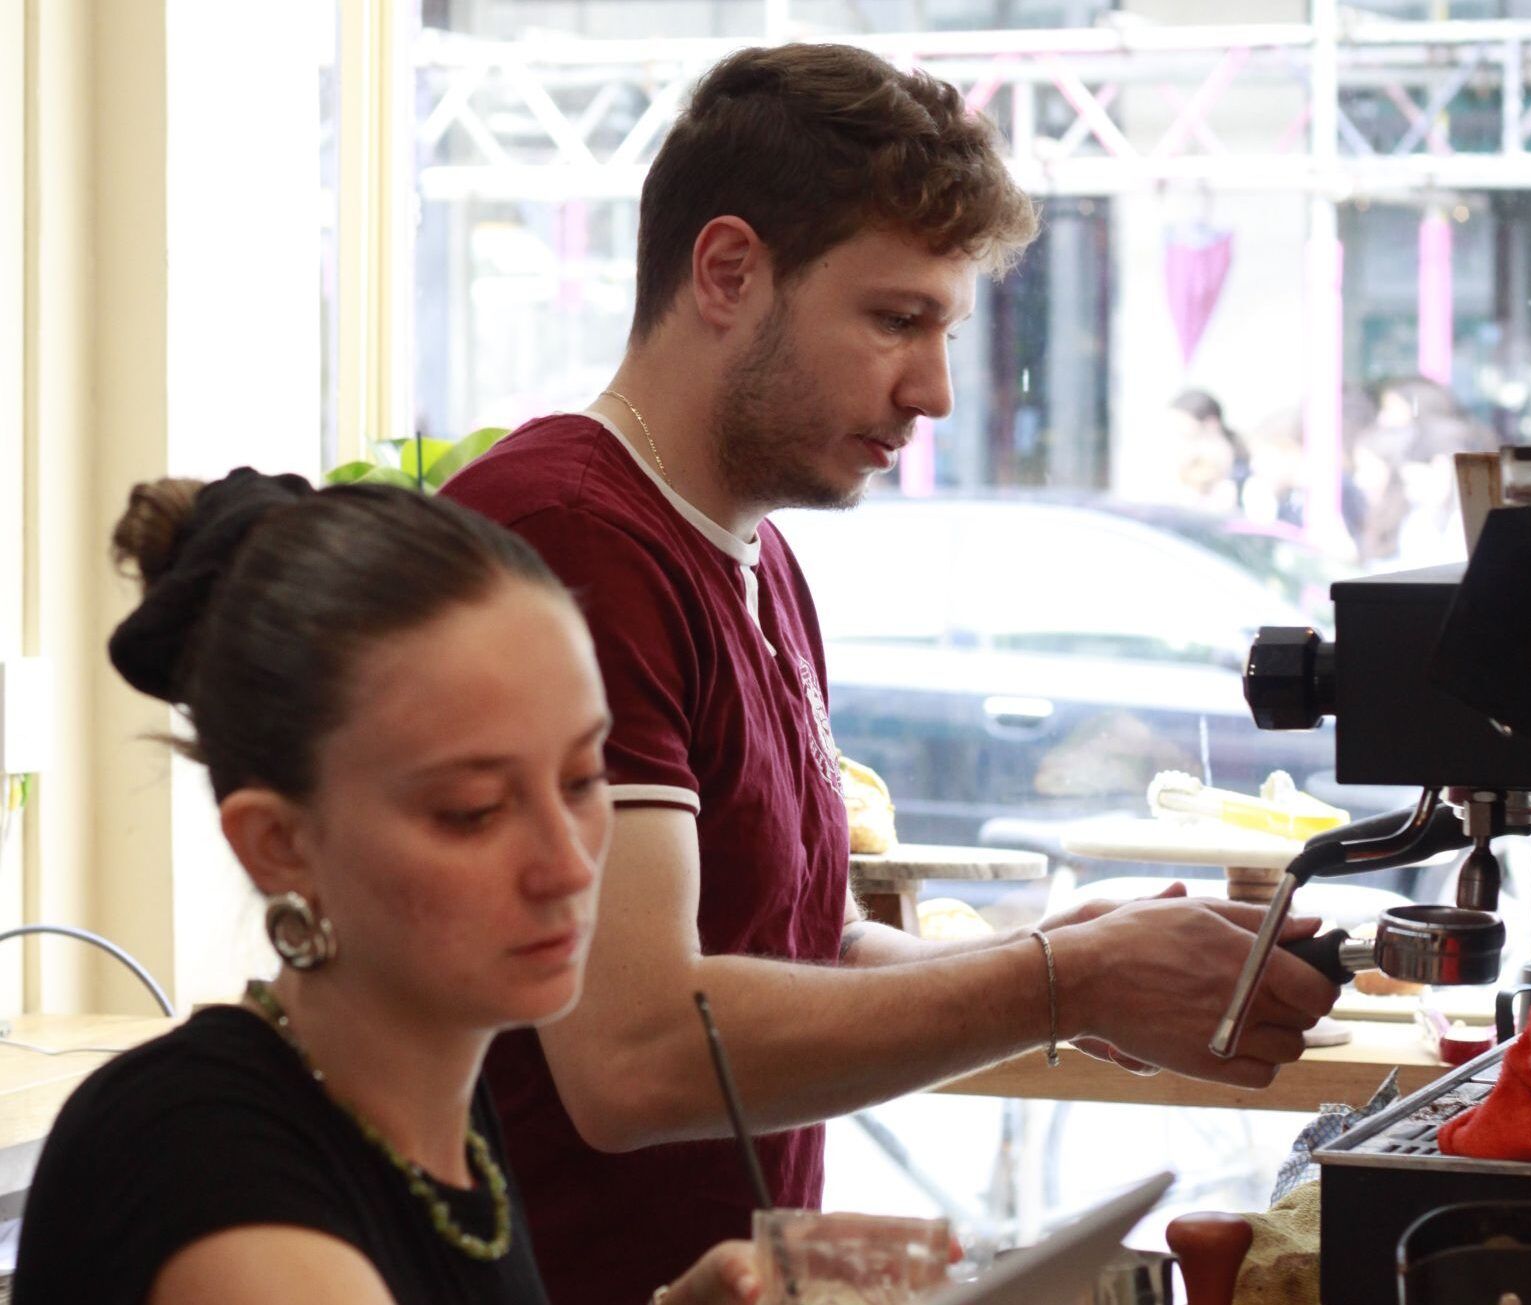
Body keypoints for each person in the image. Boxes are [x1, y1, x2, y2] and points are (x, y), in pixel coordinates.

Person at [442, 42, 1337, 1305]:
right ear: (728, 272)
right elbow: (635, 1054)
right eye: (895, 319)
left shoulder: (756, 558)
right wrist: (1060, 982)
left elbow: (787, 949)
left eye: (947, 326)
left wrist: (1068, 969)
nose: (934, 390)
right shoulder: (568, 539)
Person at [13, 470, 759, 1305]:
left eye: (584, 778)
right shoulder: (205, 1169)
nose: (571, 865)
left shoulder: (433, 1095)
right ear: (280, 845)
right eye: (473, 811)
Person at [1164, 389, 1250, 513]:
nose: (1178, 430)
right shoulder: (1188, 455)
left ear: (1211, 422)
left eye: (1182, 422)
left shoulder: (1229, 459)